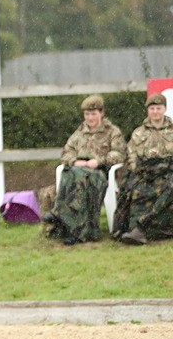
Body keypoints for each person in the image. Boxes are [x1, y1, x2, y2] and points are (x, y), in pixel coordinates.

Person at [42, 95, 125, 245]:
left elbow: (119, 154)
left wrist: (99, 161)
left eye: (93, 114)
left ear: (101, 113)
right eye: (87, 114)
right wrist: (75, 161)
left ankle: (60, 215)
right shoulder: (79, 132)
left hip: (100, 172)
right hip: (78, 170)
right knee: (69, 172)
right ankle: (76, 231)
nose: (90, 118)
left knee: (75, 176)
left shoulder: (112, 131)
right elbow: (66, 152)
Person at [114, 93, 173, 245]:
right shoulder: (139, 133)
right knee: (135, 190)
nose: (155, 112)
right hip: (145, 172)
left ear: (164, 109)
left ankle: (142, 228)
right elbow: (131, 155)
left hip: (168, 172)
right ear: (148, 111)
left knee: (169, 188)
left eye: (158, 108)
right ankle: (136, 228)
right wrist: (136, 168)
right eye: (152, 108)